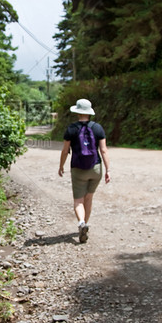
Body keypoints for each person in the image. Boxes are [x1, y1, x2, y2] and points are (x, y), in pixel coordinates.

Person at [58, 99, 110, 243]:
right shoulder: (98, 128)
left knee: (78, 200)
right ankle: (85, 225)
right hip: (96, 167)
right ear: (89, 112)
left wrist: (61, 166)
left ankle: (81, 223)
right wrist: (108, 170)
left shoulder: (71, 129)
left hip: (78, 168)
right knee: (89, 198)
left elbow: (65, 151)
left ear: (78, 112)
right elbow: (104, 150)